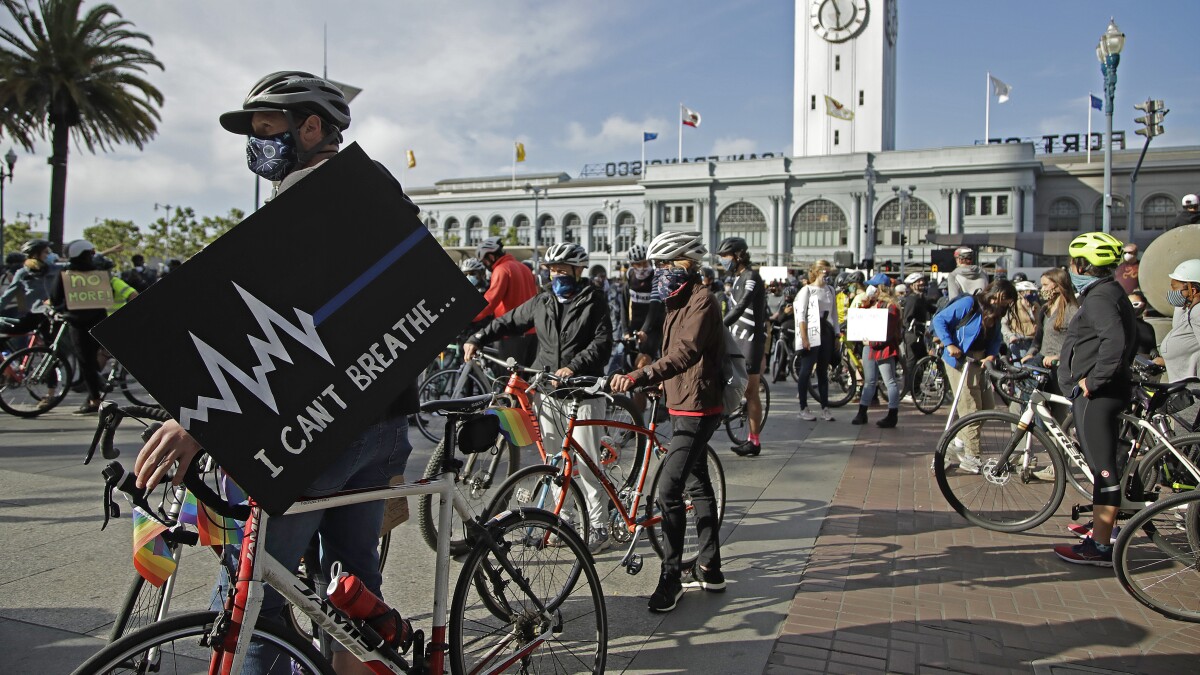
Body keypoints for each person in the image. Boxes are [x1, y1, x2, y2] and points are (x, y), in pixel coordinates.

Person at [134, 71, 419, 675]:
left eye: (268, 131)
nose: (258, 146)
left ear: (312, 126)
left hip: (322, 435)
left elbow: (277, 327)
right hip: (383, 424)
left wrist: (197, 418)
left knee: (258, 600)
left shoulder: (311, 196)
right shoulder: (379, 193)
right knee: (352, 594)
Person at [464, 243, 614, 554]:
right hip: (548, 391)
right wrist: (478, 338)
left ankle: (599, 526)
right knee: (555, 463)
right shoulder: (543, 301)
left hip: (582, 393)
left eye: (562, 270)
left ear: (578, 271)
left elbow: (602, 342)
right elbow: (509, 321)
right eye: (552, 270)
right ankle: (566, 521)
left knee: (586, 464)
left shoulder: (593, 300)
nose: (556, 275)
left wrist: (574, 367)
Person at [609, 230, 725, 613]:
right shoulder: (676, 301)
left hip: (698, 407)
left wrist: (641, 377)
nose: (659, 273)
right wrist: (660, 383)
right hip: (681, 401)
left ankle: (672, 577)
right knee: (699, 484)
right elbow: (674, 353)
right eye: (657, 266)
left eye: (664, 265)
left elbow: (687, 353)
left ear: (685, 264)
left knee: (668, 490)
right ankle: (710, 567)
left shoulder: (703, 300)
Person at [1053, 232, 1135, 567]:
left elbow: (1113, 343)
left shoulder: (1099, 298)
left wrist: (1093, 380)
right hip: (1103, 392)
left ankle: (1101, 546)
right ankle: (1101, 532)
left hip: (1098, 396)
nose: (1070, 268)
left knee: (1103, 472)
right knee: (1104, 468)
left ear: (1083, 265)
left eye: (1073, 262)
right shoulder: (1110, 291)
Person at [932, 279, 1017, 474]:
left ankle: (957, 443)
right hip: (960, 359)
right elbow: (940, 320)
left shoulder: (997, 312)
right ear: (998, 295)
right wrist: (949, 343)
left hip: (979, 360)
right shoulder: (969, 303)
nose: (1006, 306)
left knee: (987, 406)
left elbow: (996, 337)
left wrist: (992, 354)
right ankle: (972, 456)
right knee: (970, 407)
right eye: (1006, 301)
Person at [717, 236, 767, 457]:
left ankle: (754, 441)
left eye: (726, 256)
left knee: (751, 390)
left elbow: (742, 306)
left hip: (750, 341)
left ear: (738, 255)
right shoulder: (735, 278)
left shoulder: (751, 277)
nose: (723, 261)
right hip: (735, 338)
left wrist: (717, 325)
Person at [473, 235, 538, 366]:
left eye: (484, 261)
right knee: (525, 381)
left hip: (511, 334)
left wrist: (469, 317)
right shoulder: (524, 268)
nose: (485, 265)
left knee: (507, 381)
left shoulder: (501, 270)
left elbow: (490, 302)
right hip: (532, 333)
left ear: (491, 257)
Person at [852, 283, 903, 427]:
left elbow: (888, 332)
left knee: (890, 381)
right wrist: (865, 305)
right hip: (870, 346)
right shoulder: (874, 304)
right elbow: (862, 319)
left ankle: (892, 414)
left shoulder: (891, 307)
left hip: (883, 348)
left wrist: (871, 342)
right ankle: (862, 412)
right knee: (869, 381)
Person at [794, 260, 838, 421]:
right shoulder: (807, 290)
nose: (827, 275)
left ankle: (825, 407)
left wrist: (837, 335)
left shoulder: (830, 290)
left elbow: (834, 314)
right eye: (824, 272)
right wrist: (804, 337)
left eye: (829, 272)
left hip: (826, 331)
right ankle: (803, 407)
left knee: (823, 371)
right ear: (817, 272)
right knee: (806, 370)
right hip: (811, 331)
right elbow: (801, 315)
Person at [0, 239, 58, 335]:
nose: (49, 255)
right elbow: (7, 296)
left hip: (49, 315)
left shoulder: (55, 269)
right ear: (35, 255)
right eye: (46, 252)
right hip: (38, 315)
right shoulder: (24, 273)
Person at [622, 244, 663, 375]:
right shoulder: (629, 278)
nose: (642, 268)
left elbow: (654, 308)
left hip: (653, 328)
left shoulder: (655, 278)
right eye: (637, 265)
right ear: (632, 265)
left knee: (640, 365)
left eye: (645, 263)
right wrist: (625, 330)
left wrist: (645, 330)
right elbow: (623, 306)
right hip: (634, 327)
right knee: (626, 366)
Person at [1157, 259, 1200, 382]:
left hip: (1193, 393)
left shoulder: (1197, 312)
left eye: (1175, 288)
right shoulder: (1190, 310)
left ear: (1193, 290)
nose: (1172, 292)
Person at [899, 272, 934, 396]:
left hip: (920, 334)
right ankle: (909, 391)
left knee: (921, 362)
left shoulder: (922, 298)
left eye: (922, 282)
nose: (921, 284)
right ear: (912, 285)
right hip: (912, 334)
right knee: (912, 362)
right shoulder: (912, 299)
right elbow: (907, 319)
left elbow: (933, 309)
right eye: (918, 282)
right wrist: (918, 325)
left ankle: (916, 389)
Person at [1002, 280, 1040, 360]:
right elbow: (1003, 324)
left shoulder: (1036, 305)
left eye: (1033, 291)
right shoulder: (1013, 306)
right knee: (1020, 367)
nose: (1032, 294)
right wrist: (1011, 336)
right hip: (1019, 342)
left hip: (1033, 342)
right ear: (1021, 293)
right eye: (1029, 291)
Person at [1128, 291, 1157, 358]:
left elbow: (1152, 346)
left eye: (1135, 304)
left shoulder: (1148, 327)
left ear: (1144, 306)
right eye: (1128, 303)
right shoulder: (1121, 324)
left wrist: (1153, 351)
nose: (1131, 307)